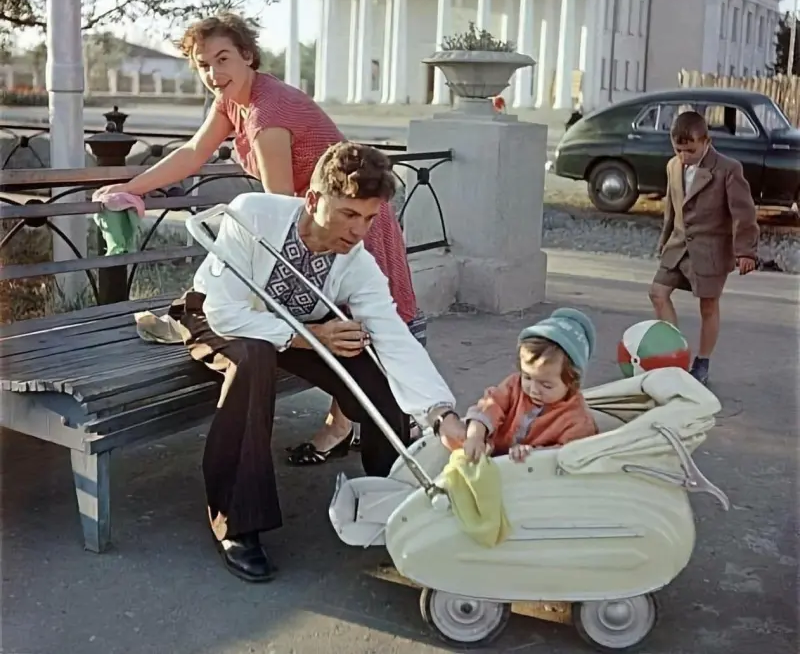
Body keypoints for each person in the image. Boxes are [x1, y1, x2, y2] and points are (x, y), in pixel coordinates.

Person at [97, 13, 422, 461]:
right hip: (323, 221)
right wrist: (132, 189)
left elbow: (281, 209)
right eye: (203, 64)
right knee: (338, 325)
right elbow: (193, 152)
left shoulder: (268, 114)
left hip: (349, 222)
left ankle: (353, 429)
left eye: (223, 59)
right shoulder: (234, 100)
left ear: (247, 55)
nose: (214, 73)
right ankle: (350, 425)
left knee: (353, 326)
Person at [169, 142, 465, 582]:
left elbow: (393, 335)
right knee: (254, 358)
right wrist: (310, 338)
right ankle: (237, 523)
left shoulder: (356, 262)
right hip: (221, 317)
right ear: (313, 199)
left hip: (299, 327)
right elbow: (225, 312)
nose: (359, 230)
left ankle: (396, 491)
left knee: (370, 362)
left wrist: (440, 413)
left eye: (368, 218)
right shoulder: (253, 213)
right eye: (348, 214)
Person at [649, 110, 759, 385]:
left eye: (690, 150)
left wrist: (745, 251)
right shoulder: (673, 166)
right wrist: (664, 240)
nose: (684, 156)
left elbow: (743, 213)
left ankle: (703, 361)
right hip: (677, 247)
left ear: (706, 141)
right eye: (678, 150)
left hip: (710, 251)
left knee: (708, 307)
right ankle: (674, 353)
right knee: (657, 293)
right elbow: (671, 208)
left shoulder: (727, 169)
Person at [458, 308, 598, 463]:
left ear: (572, 383)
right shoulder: (514, 386)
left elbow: (569, 456)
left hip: (531, 479)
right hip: (490, 456)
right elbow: (490, 405)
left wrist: (533, 454)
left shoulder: (577, 419)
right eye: (527, 377)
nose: (533, 390)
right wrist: (476, 435)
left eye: (546, 385)